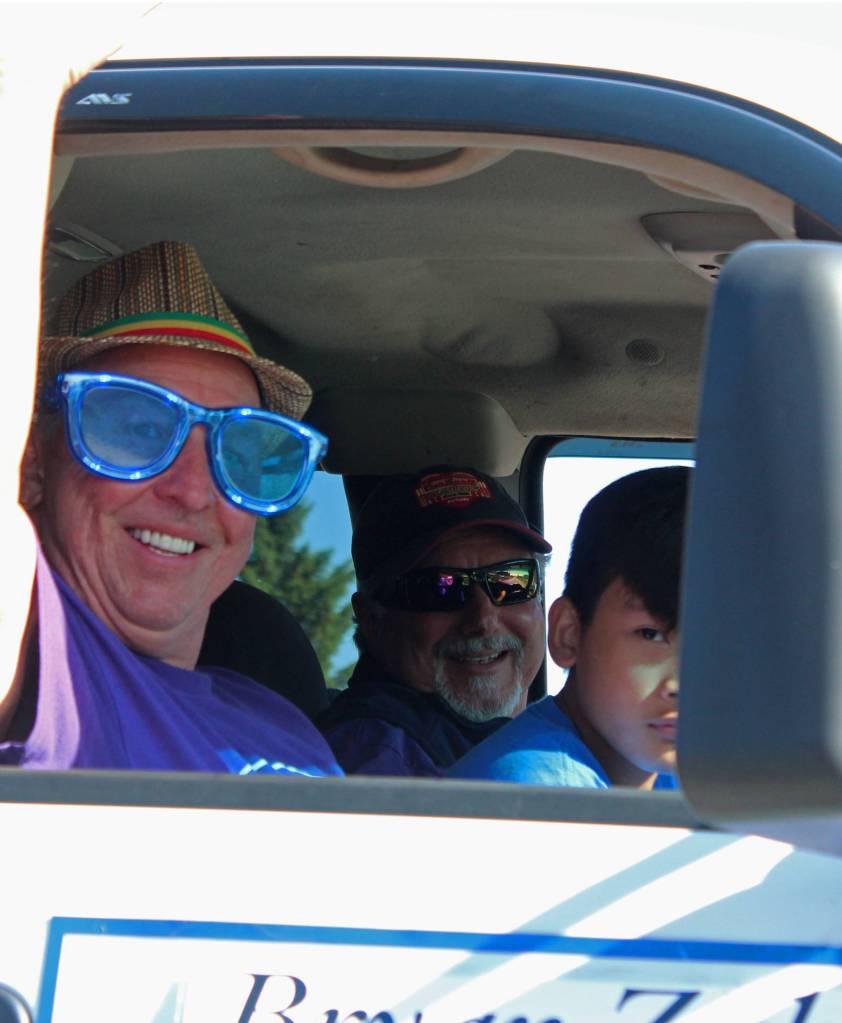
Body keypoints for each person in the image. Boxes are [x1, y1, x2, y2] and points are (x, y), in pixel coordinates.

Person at [0, 239, 342, 776]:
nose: (193, 491)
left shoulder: (282, 721)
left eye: (236, 448)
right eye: (139, 430)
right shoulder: (38, 663)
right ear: (34, 460)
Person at [449, 466, 687, 789]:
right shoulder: (540, 795)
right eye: (650, 634)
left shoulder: (677, 769)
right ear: (569, 634)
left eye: (716, 645)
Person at [317, 467, 551, 776]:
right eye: (442, 588)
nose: (483, 618)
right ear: (373, 620)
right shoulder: (377, 760)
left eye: (510, 581)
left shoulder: (528, 744)